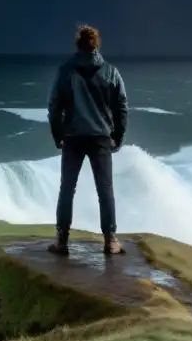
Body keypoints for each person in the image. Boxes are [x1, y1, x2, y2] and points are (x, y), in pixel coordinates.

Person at [46, 24, 129, 256]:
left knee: (67, 189)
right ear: (96, 44)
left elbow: (54, 106)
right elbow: (122, 106)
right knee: (105, 190)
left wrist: (57, 134)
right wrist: (118, 136)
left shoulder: (65, 71)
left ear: (77, 44)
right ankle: (111, 241)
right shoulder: (110, 71)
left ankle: (61, 241)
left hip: (72, 137)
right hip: (101, 138)